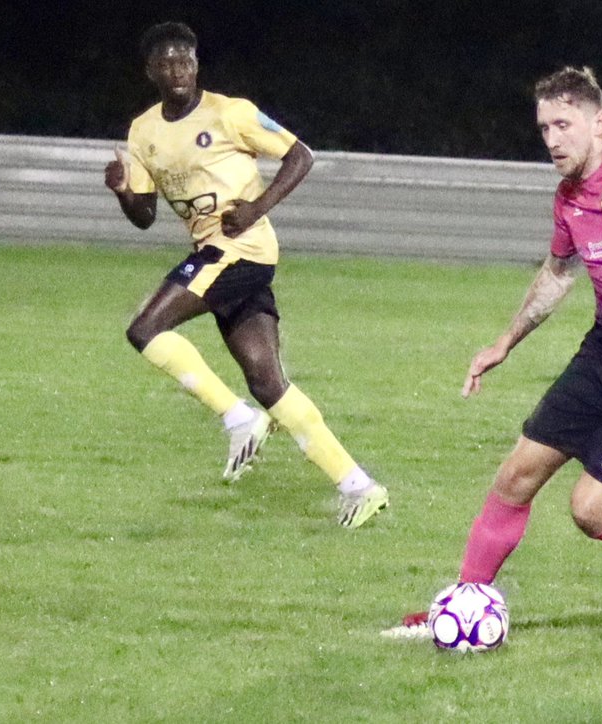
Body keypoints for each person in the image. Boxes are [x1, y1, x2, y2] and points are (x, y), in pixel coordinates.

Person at [382, 66, 602, 638]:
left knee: (590, 509)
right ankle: (462, 605)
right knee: (514, 477)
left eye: (564, 124)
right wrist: (505, 341)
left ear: (598, 122)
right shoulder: (568, 197)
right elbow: (556, 275)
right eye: (544, 128)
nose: (552, 140)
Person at [103, 22, 387, 528]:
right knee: (266, 379)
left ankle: (238, 420)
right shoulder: (143, 131)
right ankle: (359, 486)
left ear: (196, 65)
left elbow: (301, 155)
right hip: (218, 252)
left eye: (185, 61)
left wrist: (256, 207)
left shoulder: (231, 112)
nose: (178, 71)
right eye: (166, 63)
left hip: (241, 247)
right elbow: (144, 216)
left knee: (144, 329)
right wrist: (124, 191)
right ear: (151, 71)